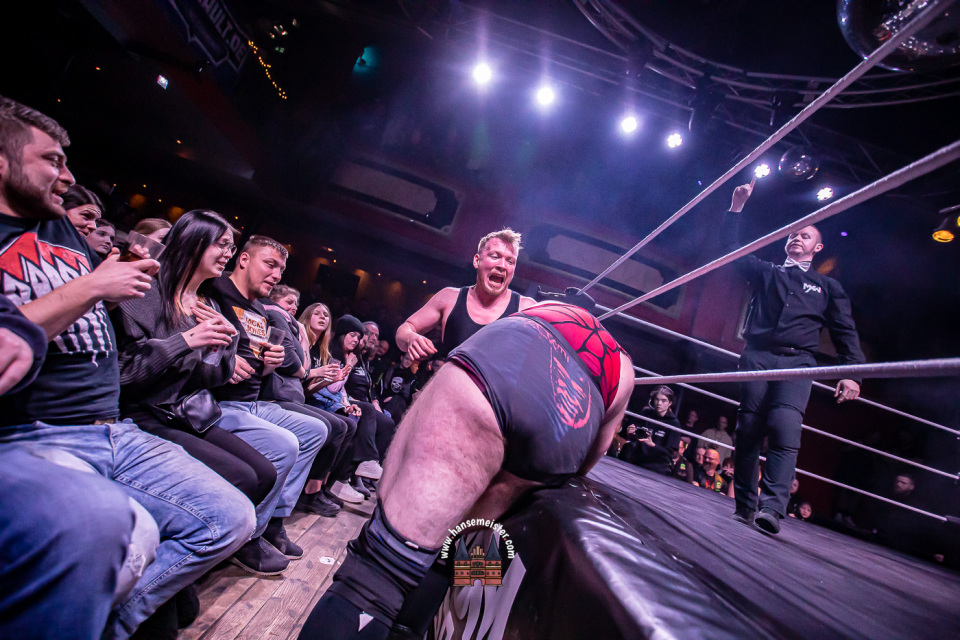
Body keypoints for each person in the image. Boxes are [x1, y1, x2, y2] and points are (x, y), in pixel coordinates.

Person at [0, 95, 255, 638]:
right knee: (112, 527)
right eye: (52, 161)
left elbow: (193, 373)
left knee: (232, 518)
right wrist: (104, 291)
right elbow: (131, 371)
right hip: (43, 428)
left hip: (116, 427)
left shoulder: (58, 232)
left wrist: (222, 349)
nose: (69, 177)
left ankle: (112, 622)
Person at [300, 292, 635, 640]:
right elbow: (592, 457)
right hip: (561, 439)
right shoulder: (622, 363)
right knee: (456, 562)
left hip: (488, 386)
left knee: (382, 567)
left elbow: (420, 334)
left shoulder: (533, 309)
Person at [113, 209, 293, 576]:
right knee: (243, 476)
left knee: (264, 473)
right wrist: (186, 340)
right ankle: (176, 556)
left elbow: (210, 376)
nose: (227, 253)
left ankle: (212, 547)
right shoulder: (146, 292)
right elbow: (125, 374)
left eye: (230, 246)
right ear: (193, 241)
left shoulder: (204, 303)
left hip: (187, 410)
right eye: (221, 245)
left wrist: (225, 344)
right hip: (144, 411)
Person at [725, 179, 865, 534]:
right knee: (748, 431)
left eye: (805, 235)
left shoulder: (827, 287)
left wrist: (851, 373)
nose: (797, 238)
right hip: (757, 357)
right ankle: (745, 505)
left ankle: (772, 509)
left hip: (797, 364)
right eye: (793, 234)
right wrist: (737, 207)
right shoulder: (766, 272)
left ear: (818, 247)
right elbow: (729, 253)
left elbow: (845, 331)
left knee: (784, 429)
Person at [209, 234, 329, 559]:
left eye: (281, 270)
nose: (276, 275)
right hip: (220, 401)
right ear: (243, 259)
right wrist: (226, 362)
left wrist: (269, 364)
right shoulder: (215, 291)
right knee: (286, 444)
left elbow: (260, 368)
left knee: (317, 430)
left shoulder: (258, 310)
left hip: (252, 401)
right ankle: (250, 536)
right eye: (270, 264)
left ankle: (274, 519)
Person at [260, 285, 345, 518]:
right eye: (289, 302)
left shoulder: (315, 344)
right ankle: (303, 495)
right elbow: (296, 368)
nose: (293, 307)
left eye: (326, 315)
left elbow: (303, 379)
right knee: (334, 426)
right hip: (278, 397)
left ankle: (318, 489)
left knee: (345, 424)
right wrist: (315, 372)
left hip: (295, 396)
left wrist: (327, 381)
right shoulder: (284, 324)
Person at [395, 228, 536, 362]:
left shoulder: (526, 309)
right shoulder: (449, 298)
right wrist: (411, 338)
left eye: (510, 261)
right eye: (495, 256)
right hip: (449, 379)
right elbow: (404, 330)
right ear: (477, 260)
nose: (502, 266)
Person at [299, 302, 365, 505]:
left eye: (326, 315)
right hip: (303, 399)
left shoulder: (322, 348)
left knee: (352, 421)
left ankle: (324, 485)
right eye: (317, 313)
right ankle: (312, 491)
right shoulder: (308, 345)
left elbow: (330, 387)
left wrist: (346, 403)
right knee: (342, 425)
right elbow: (315, 387)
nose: (322, 317)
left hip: (314, 397)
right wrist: (343, 370)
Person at [619, 385, 682, 475]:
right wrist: (630, 433)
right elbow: (629, 436)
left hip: (655, 466)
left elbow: (669, 454)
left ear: (670, 403)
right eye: (657, 399)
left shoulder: (673, 423)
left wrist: (653, 445)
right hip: (636, 460)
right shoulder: (645, 414)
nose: (659, 403)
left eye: (663, 401)